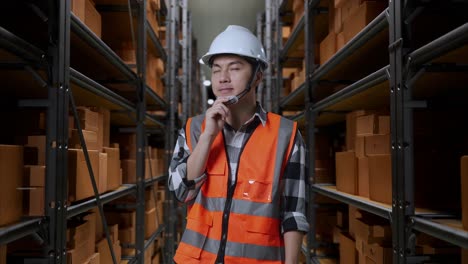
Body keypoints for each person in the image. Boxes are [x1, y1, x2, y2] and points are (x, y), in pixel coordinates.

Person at [168, 25, 309, 264]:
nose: (223, 77)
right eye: (216, 70)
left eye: (234, 68)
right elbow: (181, 192)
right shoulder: (193, 129)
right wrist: (207, 137)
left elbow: (293, 213)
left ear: (258, 76)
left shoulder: (286, 135)